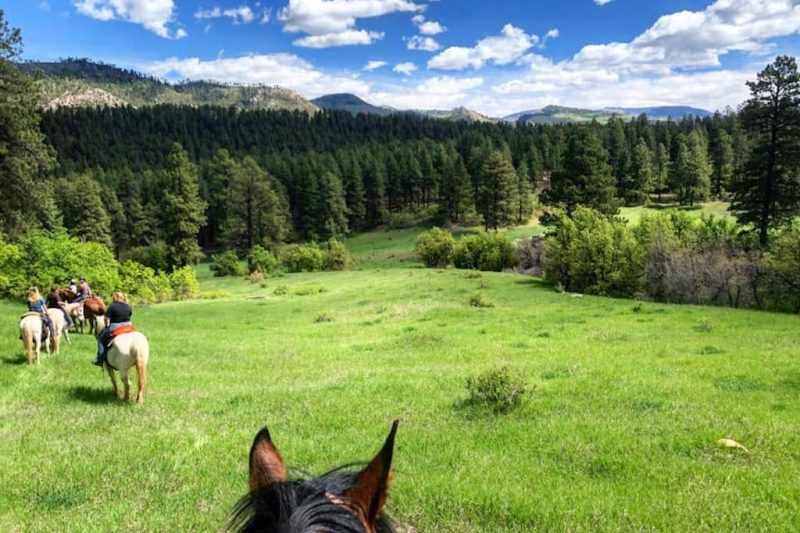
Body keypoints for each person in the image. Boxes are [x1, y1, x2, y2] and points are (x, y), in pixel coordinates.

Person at [94, 291, 132, 367]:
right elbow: (130, 315)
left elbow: (106, 318)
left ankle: (100, 359)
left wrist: (107, 326)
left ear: (116, 297)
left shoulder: (112, 306)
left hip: (115, 326)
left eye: (114, 297)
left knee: (100, 340)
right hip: (128, 325)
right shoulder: (128, 306)